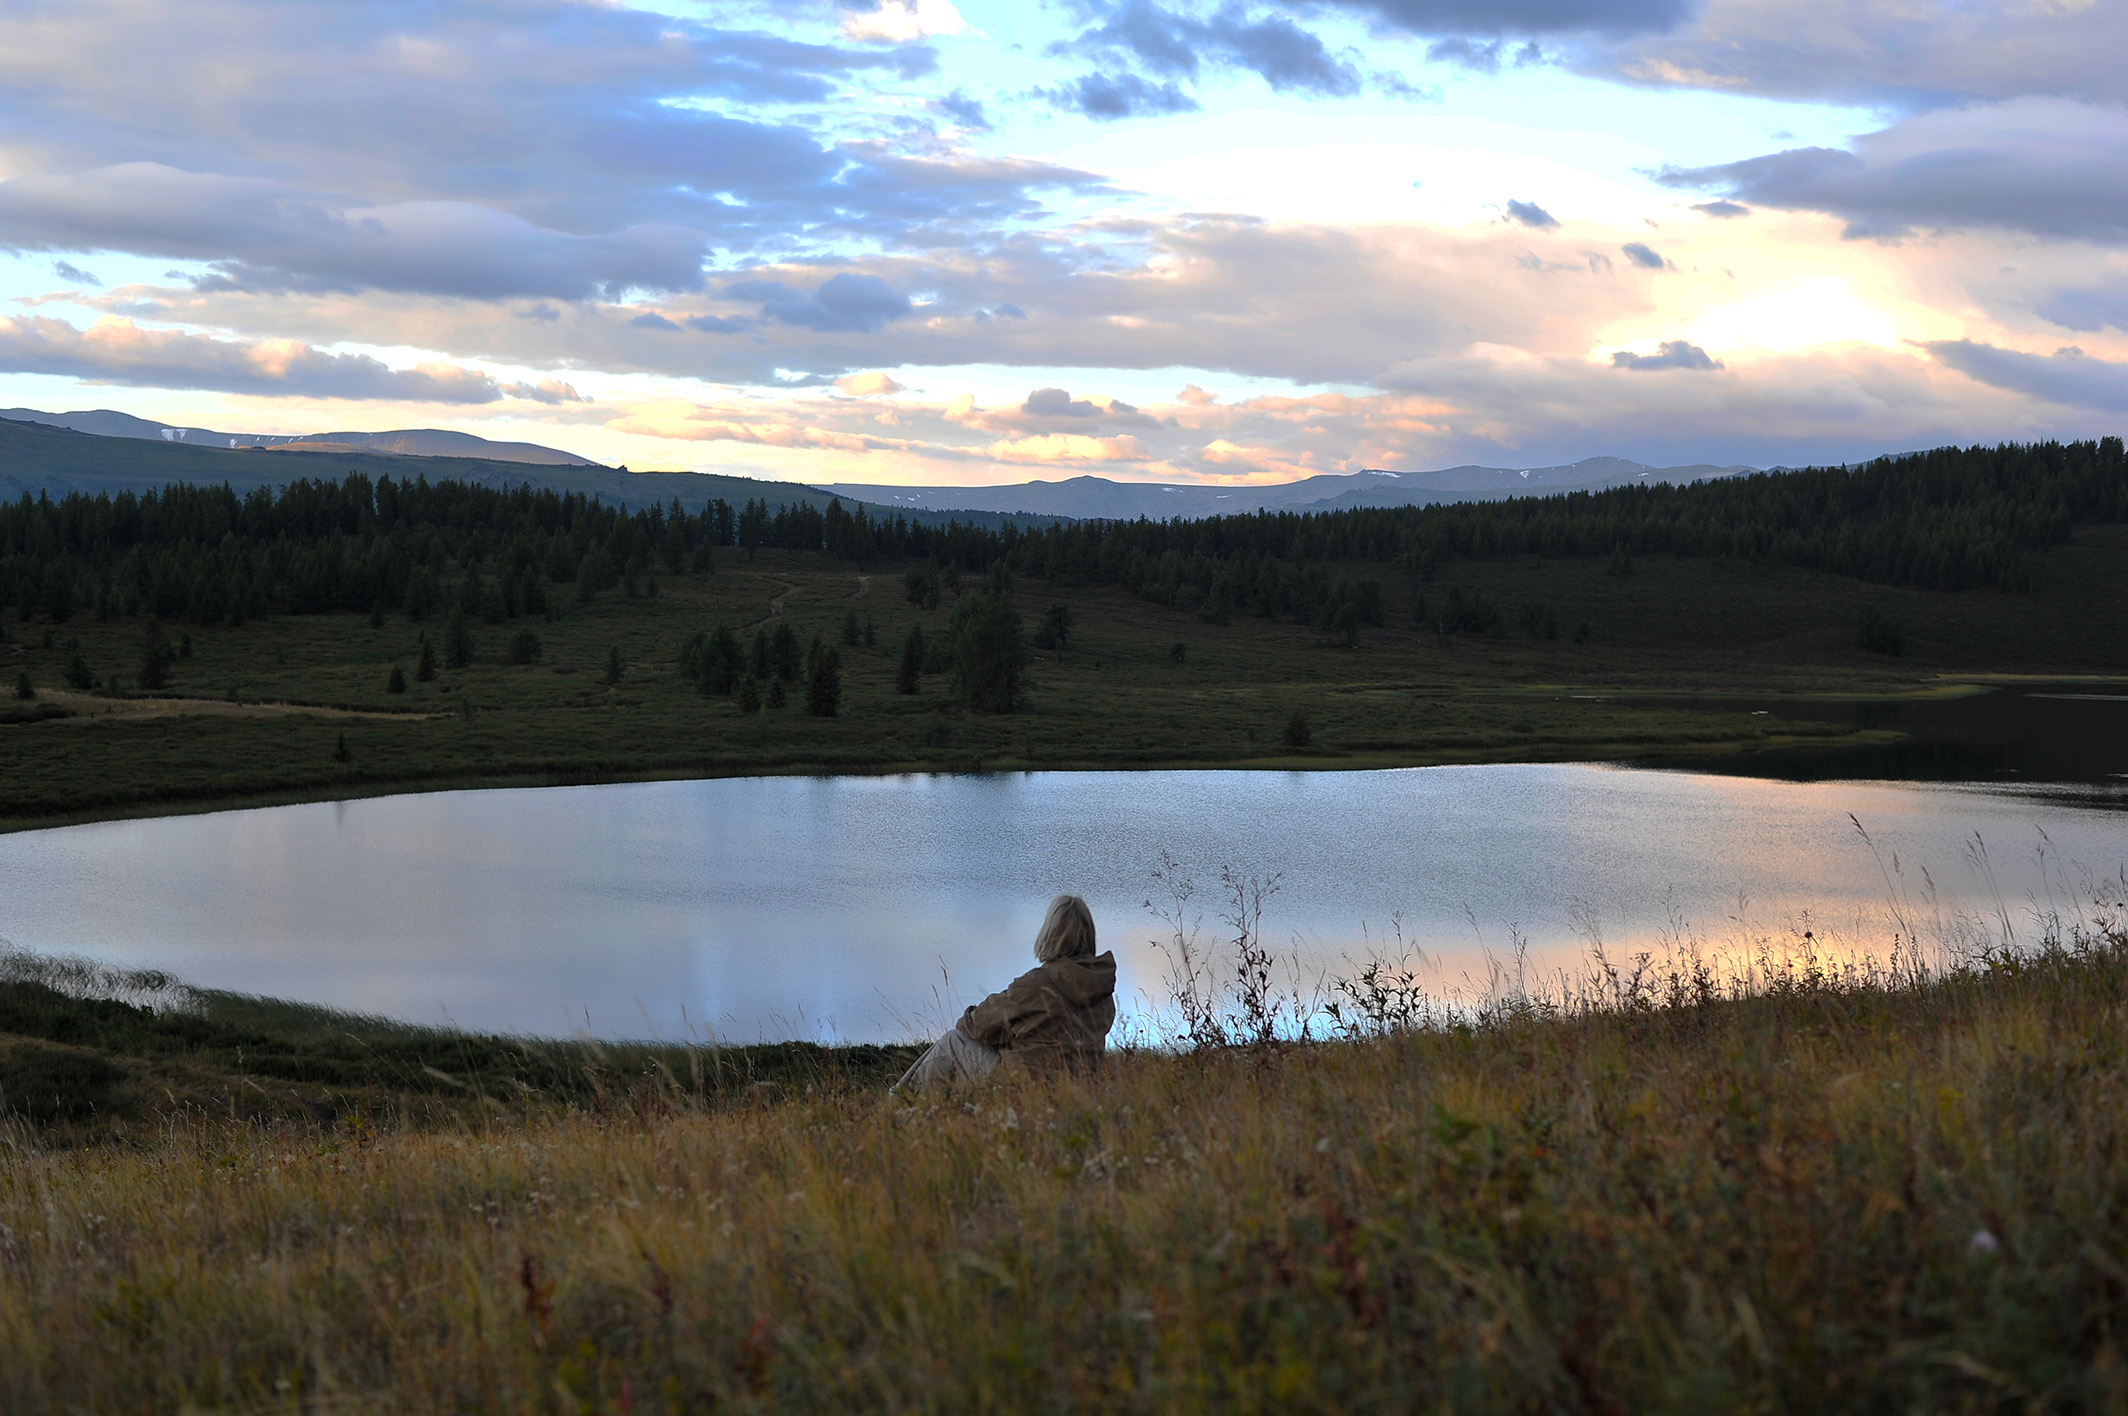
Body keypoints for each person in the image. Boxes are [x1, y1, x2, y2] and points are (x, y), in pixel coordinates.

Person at [893, 893, 1117, 1093]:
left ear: (1050, 933)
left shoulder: (1038, 984)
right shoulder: (1102, 989)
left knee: (953, 1041)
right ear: (1089, 934)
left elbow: (974, 1026)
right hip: (1081, 1089)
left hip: (1025, 1087)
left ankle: (902, 1105)